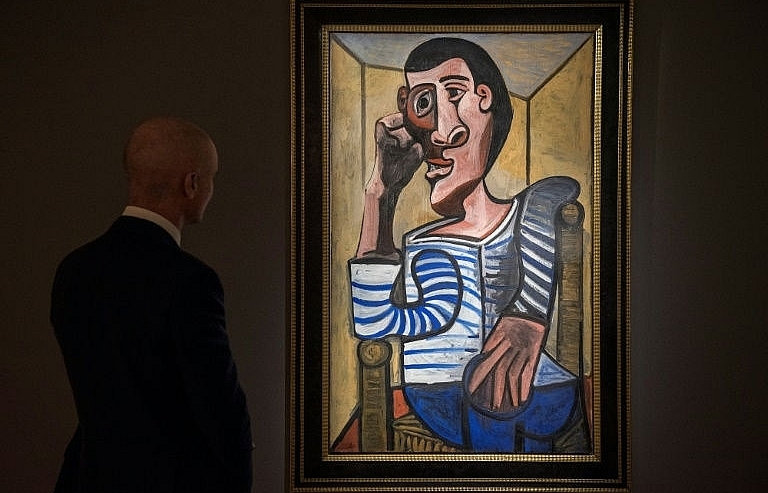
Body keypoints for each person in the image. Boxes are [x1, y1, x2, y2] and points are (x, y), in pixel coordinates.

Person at [349, 38, 590, 453]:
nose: (439, 132)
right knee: (488, 404)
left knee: (520, 401)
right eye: (422, 104)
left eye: (454, 94)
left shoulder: (527, 215)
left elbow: (558, 189)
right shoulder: (422, 244)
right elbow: (372, 324)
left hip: (540, 389)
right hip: (441, 395)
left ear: (484, 99)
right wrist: (379, 193)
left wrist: (528, 314)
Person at [51, 117, 253, 492]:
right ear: (192, 184)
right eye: (212, 178)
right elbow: (220, 409)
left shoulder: (73, 271)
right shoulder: (191, 281)